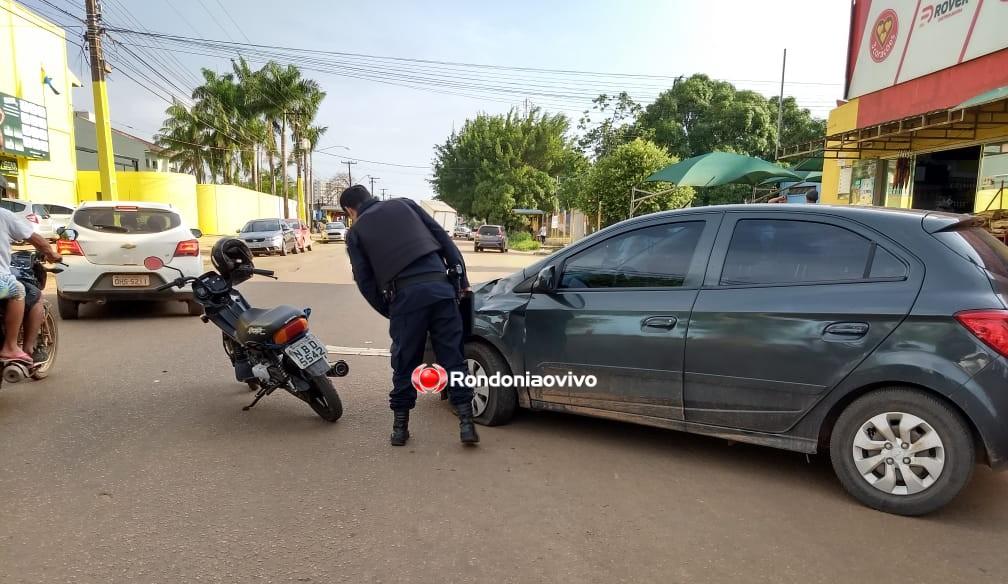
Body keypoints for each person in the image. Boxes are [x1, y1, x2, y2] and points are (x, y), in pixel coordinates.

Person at [340, 185, 478, 446]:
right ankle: (466, 425)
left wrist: (389, 309)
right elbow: (445, 240)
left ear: (350, 210)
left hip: (406, 299)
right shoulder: (406, 204)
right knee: (454, 359)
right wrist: (461, 281)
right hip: (442, 291)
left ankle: (400, 429)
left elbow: (365, 281)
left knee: (405, 363)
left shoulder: (356, 232)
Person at [0, 205, 61, 364]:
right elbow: (37, 240)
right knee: (23, 291)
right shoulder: (4, 215)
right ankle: (14, 347)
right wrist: (51, 253)